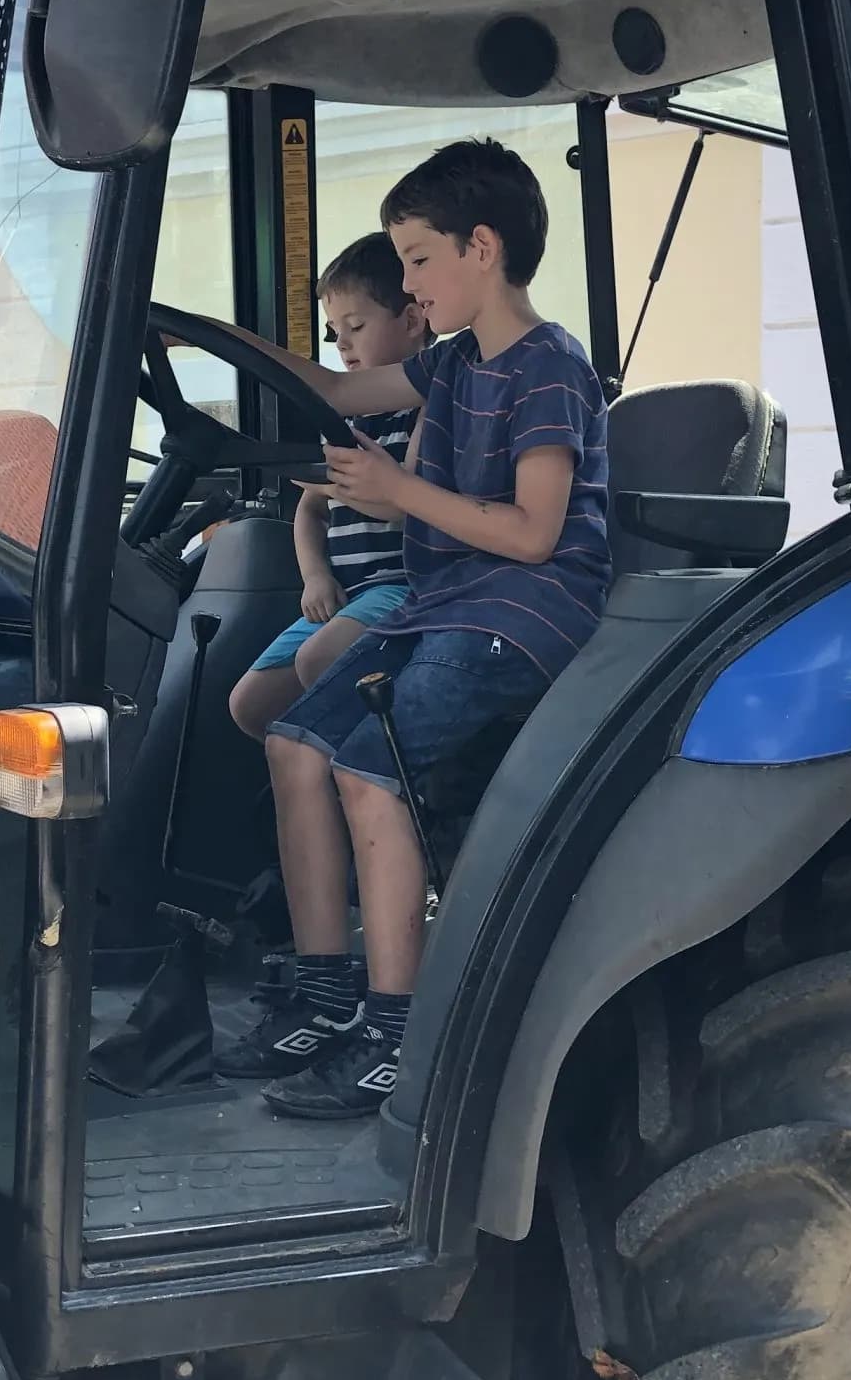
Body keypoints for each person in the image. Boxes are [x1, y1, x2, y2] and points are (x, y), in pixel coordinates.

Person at [221, 137, 610, 1121]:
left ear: (482, 247)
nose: (408, 283)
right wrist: (226, 339)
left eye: (420, 260)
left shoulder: (550, 367)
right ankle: (324, 997)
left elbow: (533, 534)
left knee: (367, 766)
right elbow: (346, 392)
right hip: (448, 605)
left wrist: (400, 490)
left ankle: (398, 1038)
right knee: (294, 743)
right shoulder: (447, 364)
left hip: (520, 612)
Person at [227, 233, 428, 745]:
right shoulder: (343, 417)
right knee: (249, 704)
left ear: (411, 319)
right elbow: (311, 508)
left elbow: (408, 505)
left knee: (318, 659)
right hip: (346, 592)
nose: (341, 343)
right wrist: (315, 577)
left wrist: (338, 483)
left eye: (356, 326)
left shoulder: (432, 403)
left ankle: (370, 779)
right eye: (333, 330)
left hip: (405, 586)